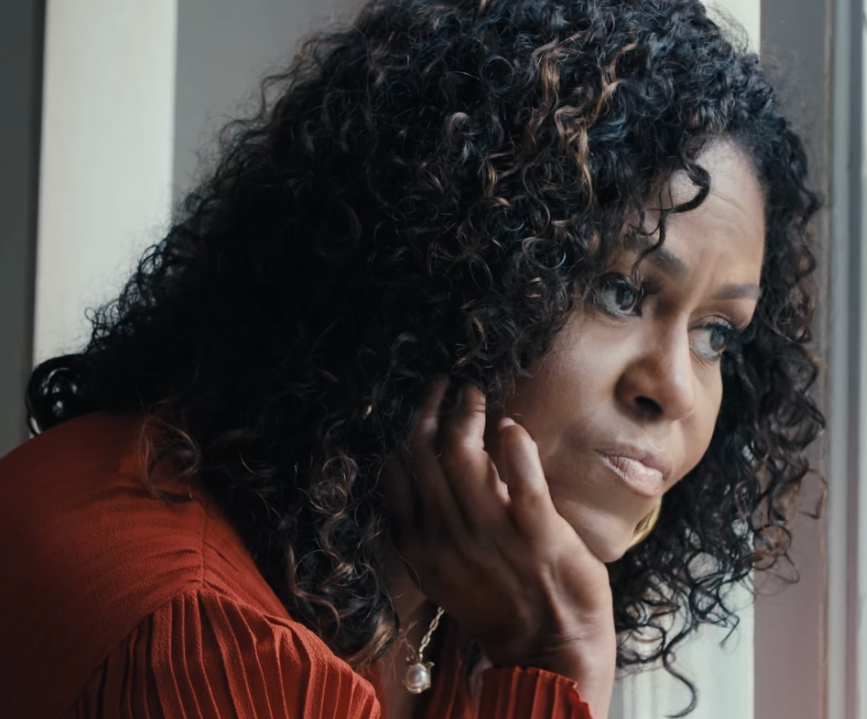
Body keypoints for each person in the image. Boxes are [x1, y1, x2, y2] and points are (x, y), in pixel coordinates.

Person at [0, 0, 823, 717]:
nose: (674, 388)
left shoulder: (448, 580)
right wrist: (556, 666)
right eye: (619, 291)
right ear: (450, 261)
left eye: (717, 333)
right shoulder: (197, 639)